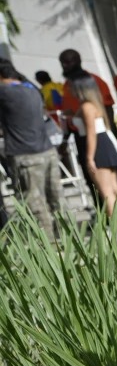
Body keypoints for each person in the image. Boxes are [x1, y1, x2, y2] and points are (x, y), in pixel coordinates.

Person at [0, 60, 65, 239]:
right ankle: (70, 242)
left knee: (35, 206)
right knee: (58, 200)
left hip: (25, 156)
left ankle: (49, 249)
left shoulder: (4, 92)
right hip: (48, 152)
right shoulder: (33, 90)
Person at [70, 74, 117, 220]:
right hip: (104, 143)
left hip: (96, 146)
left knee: (106, 190)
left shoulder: (87, 106)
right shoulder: (95, 104)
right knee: (115, 188)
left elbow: (91, 133)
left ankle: (116, 226)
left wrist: (89, 158)